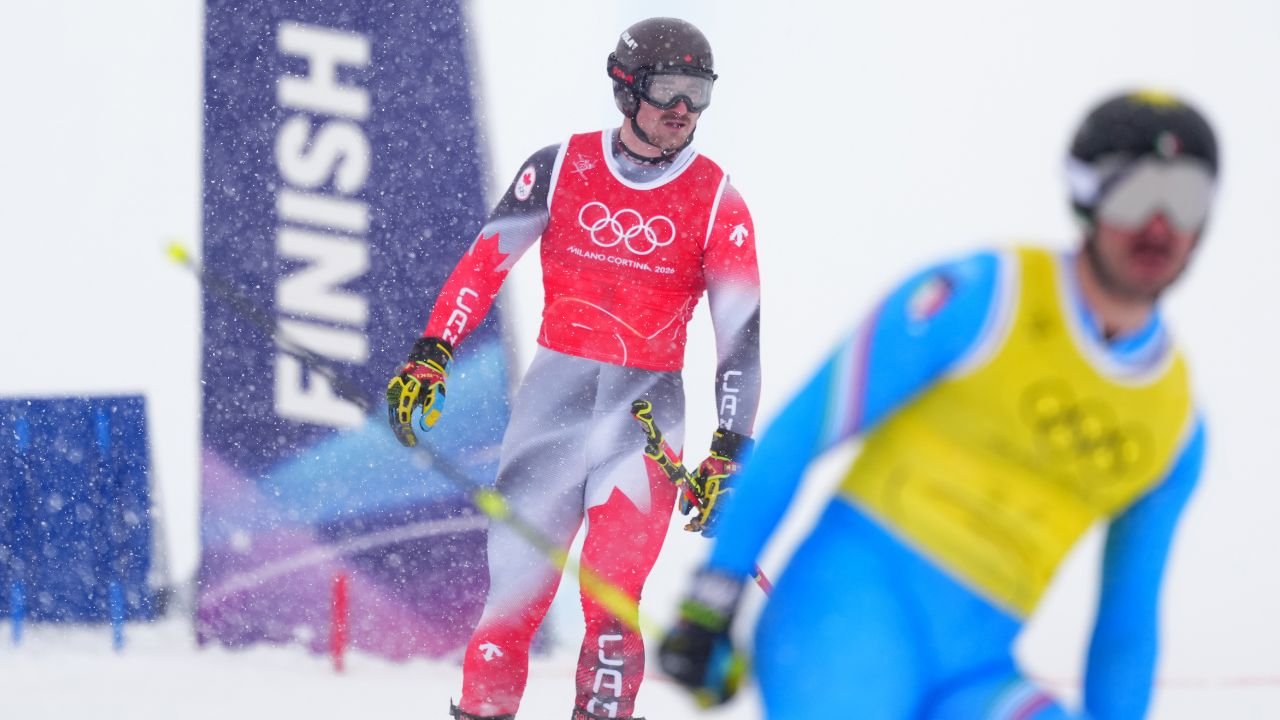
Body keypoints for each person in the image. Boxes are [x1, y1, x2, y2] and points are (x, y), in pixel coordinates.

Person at [659, 89, 1217, 719]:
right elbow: (806, 427)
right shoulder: (983, 296)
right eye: (1137, 196)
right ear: (1087, 194)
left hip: (976, 671)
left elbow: (1127, 623)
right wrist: (713, 596)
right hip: (840, 631)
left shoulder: (1175, 426)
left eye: (1187, 199)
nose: (1160, 225)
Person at [385, 16, 761, 720]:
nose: (683, 109)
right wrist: (433, 353)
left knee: (611, 603)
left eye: (699, 91)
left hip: (644, 424)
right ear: (627, 88)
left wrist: (728, 450)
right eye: (668, 89)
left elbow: (739, 339)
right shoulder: (561, 167)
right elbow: (484, 264)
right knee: (512, 602)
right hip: (550, 413)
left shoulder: (718, 200)